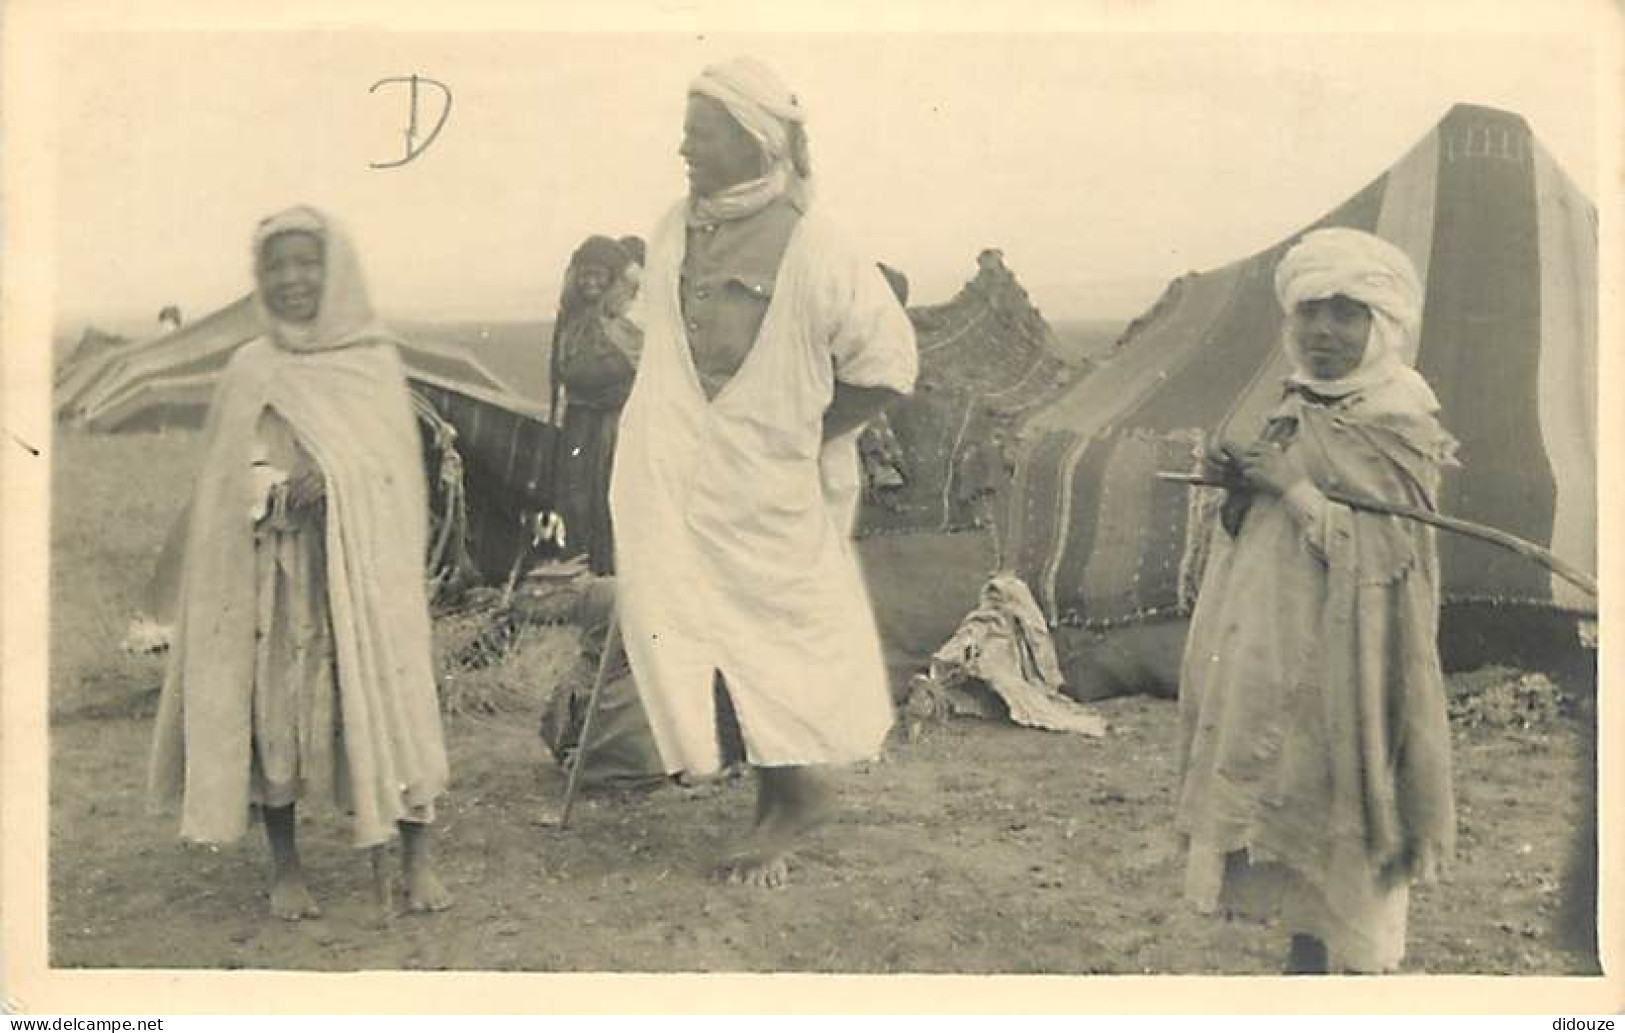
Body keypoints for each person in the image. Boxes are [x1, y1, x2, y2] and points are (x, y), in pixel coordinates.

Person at [610, 56, 918, 888]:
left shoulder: (816, 241)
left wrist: (806, 433)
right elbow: (665, 352)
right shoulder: (673, 226)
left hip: (770, 483)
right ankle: (769, 798)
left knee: (775, 635)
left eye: (699, 134)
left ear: (750, 141)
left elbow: (887, 364)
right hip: (673, 473)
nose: (683, 148)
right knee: (678, 618)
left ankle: (795, 794)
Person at [147, 205, 452, 920]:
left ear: (335, 268)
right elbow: (228, 478)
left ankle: (418, 858)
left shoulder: (374, 364)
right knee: (275, 707)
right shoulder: (251, 368)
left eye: (305, 262)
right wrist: (279, 489)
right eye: (276, 265)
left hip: (367, 575)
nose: (291, 279)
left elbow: (395, 480)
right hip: (280, 571)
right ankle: (285, 867)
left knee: (391, 699)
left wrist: (340, 481)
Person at [1175, 227, 1458, 973]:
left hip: (1352, 657)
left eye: (1344, 312)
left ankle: (1356, 975)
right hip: (1278, 646)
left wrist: (1289, 488)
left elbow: (1389, 556)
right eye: (1308, 312)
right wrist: (1241, 485)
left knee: (1349, 795)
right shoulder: (1296, 401)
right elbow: (1264, 517)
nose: (1322, 332)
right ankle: (1306, 959)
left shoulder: (1397, 417)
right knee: (1288, 795)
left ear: (1382, 325)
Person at [550, 235, 641, 574]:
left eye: (598, 276)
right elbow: (562, 367)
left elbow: (630, 363)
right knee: (575, 491)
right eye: (585, 275)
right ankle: (579, 564)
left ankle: (609, 568)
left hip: (613, 416)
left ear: (611, 279)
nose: (590, 282)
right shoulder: (573, 317)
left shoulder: (626, 320)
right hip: (579, 416)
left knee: (607, 490)